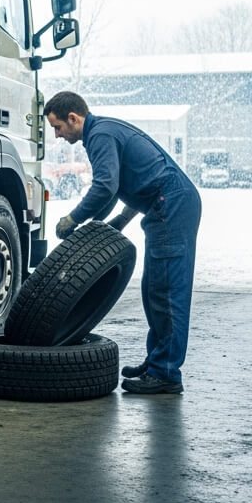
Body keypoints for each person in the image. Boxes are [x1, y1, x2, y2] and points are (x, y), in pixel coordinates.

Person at [45, 91, 201, 395]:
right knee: (153, 289)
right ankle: (157, 361)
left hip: (172, 206)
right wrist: (112, 222)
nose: (57, 135)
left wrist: (73, 219)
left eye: (58, 127)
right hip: (167, 204)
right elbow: (124, 186)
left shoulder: (100, 136)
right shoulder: (103, 131)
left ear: (73, 118)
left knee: (167, 292)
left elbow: (105, 187)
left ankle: (166, 373)